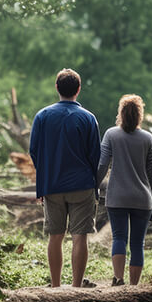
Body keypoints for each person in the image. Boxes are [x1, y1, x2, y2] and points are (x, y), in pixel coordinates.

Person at [29, 68, 101, 288]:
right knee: (80, 237)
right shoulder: (88, 118)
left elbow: (34, 151)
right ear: (78, 90)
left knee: (55, 236)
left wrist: (44, 181)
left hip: (52, 185)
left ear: (57, 88)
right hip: (82, 185)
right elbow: (95, 155)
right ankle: (77, 287)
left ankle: (56, 286)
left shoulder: (42, 116)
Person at [96, 94, 152, 286]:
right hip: (142, 199)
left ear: (120, 114)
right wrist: (151, 200)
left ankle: (118, 279)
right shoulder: (148, 138)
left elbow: (102, 166)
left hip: (117, 197)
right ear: (140, 115)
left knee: (119, 237)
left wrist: (94, 188)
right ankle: (133, 287)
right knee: (138, 243)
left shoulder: (111, 135)